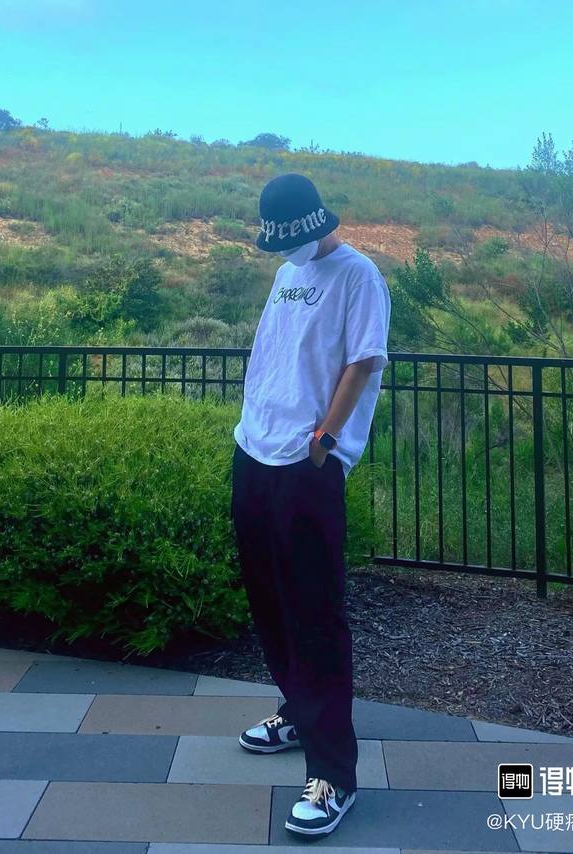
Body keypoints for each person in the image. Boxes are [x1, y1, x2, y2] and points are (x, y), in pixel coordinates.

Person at [230, 172, 391, 838]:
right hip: (255, 449)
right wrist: (249, 424)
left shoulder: (358, 276)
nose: (284, 251)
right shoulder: (285, 274)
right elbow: (274, 353)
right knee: (267, 596)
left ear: (315, 223)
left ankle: (333, 776)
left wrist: (324, 440)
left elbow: (364, 361)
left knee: (315, 613)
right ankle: (297, 709)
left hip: (306, 463)